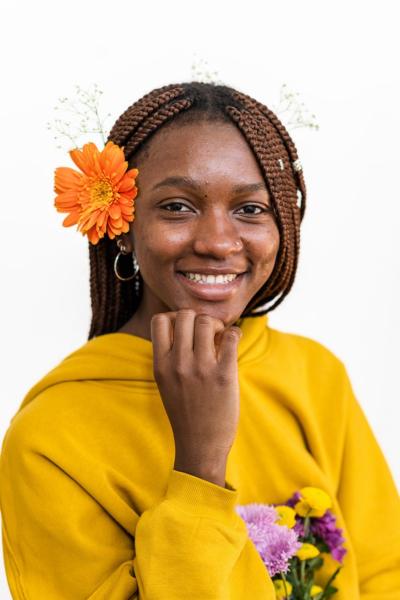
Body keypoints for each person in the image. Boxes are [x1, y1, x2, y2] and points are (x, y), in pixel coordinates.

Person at [0, 81, 399, 599]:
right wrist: (200, 467)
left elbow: (385, 570)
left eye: (250, 209)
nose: (216, 241)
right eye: (177, 207)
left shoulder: (314, 374)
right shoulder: (49, 440)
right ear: (123, 224)